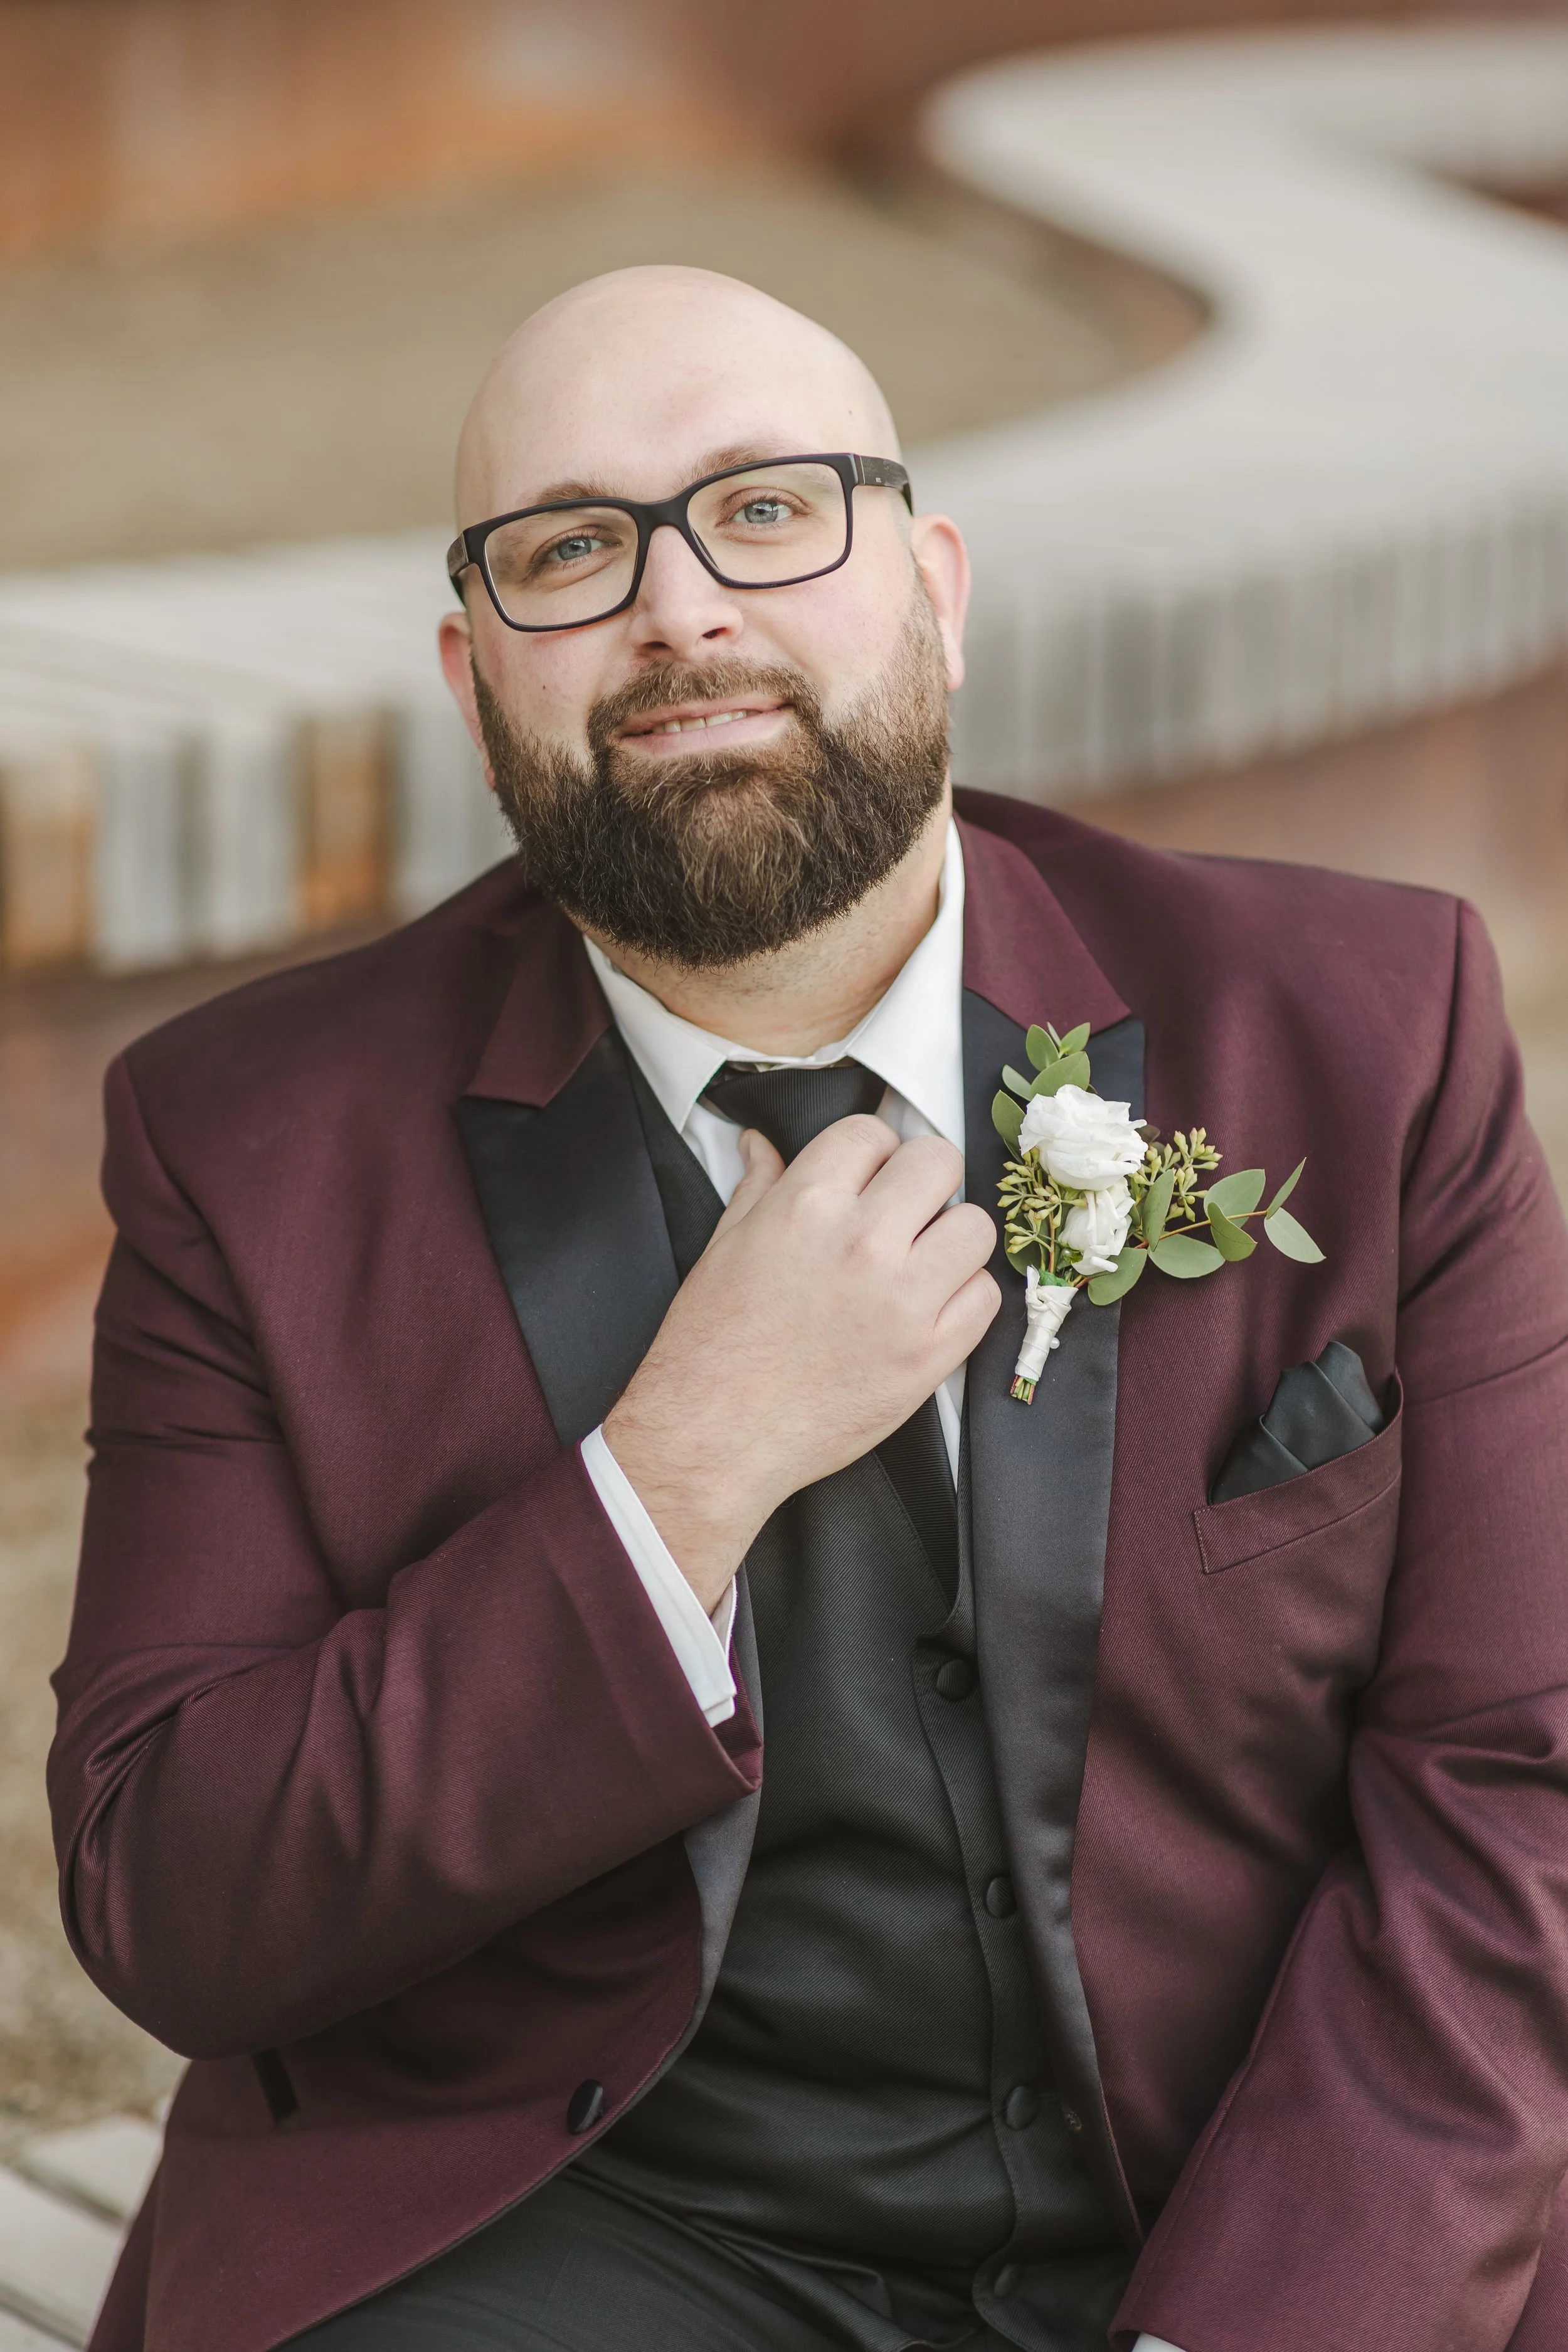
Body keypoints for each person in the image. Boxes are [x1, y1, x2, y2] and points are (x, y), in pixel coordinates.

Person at [50, 265, 1568, 2352]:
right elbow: (175, 1890)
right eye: (568, 551)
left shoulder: (1366, 1030)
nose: (678, 609)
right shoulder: (247, 1144)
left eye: (767, 508)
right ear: (475, 681)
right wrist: (676, 1470)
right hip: (600, 2232)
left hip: (1269, 2188)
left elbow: (1515, 1772)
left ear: (933, 589)